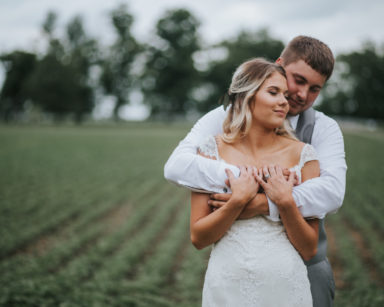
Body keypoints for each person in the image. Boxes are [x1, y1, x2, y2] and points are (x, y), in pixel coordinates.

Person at [164, 36, 347, 307]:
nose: (301, 95)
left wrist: (263, 202)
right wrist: (244, 182)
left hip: (304, 267)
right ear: (280, 66)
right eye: (298, 80)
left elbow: (331, 193)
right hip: (231, 273)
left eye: (315, 89)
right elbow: (176, 166)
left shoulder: (322, 129)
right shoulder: (222, 119)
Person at [190, 58, 319, 306]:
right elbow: (198, 238)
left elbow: (309, 248)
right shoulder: (210, 151)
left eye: (285, 94)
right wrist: (237, 200)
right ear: (245, 96)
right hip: (227, 285)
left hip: (285, 285)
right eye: (273, 92)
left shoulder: (304, 156)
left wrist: (285, 202)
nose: (284, 101)